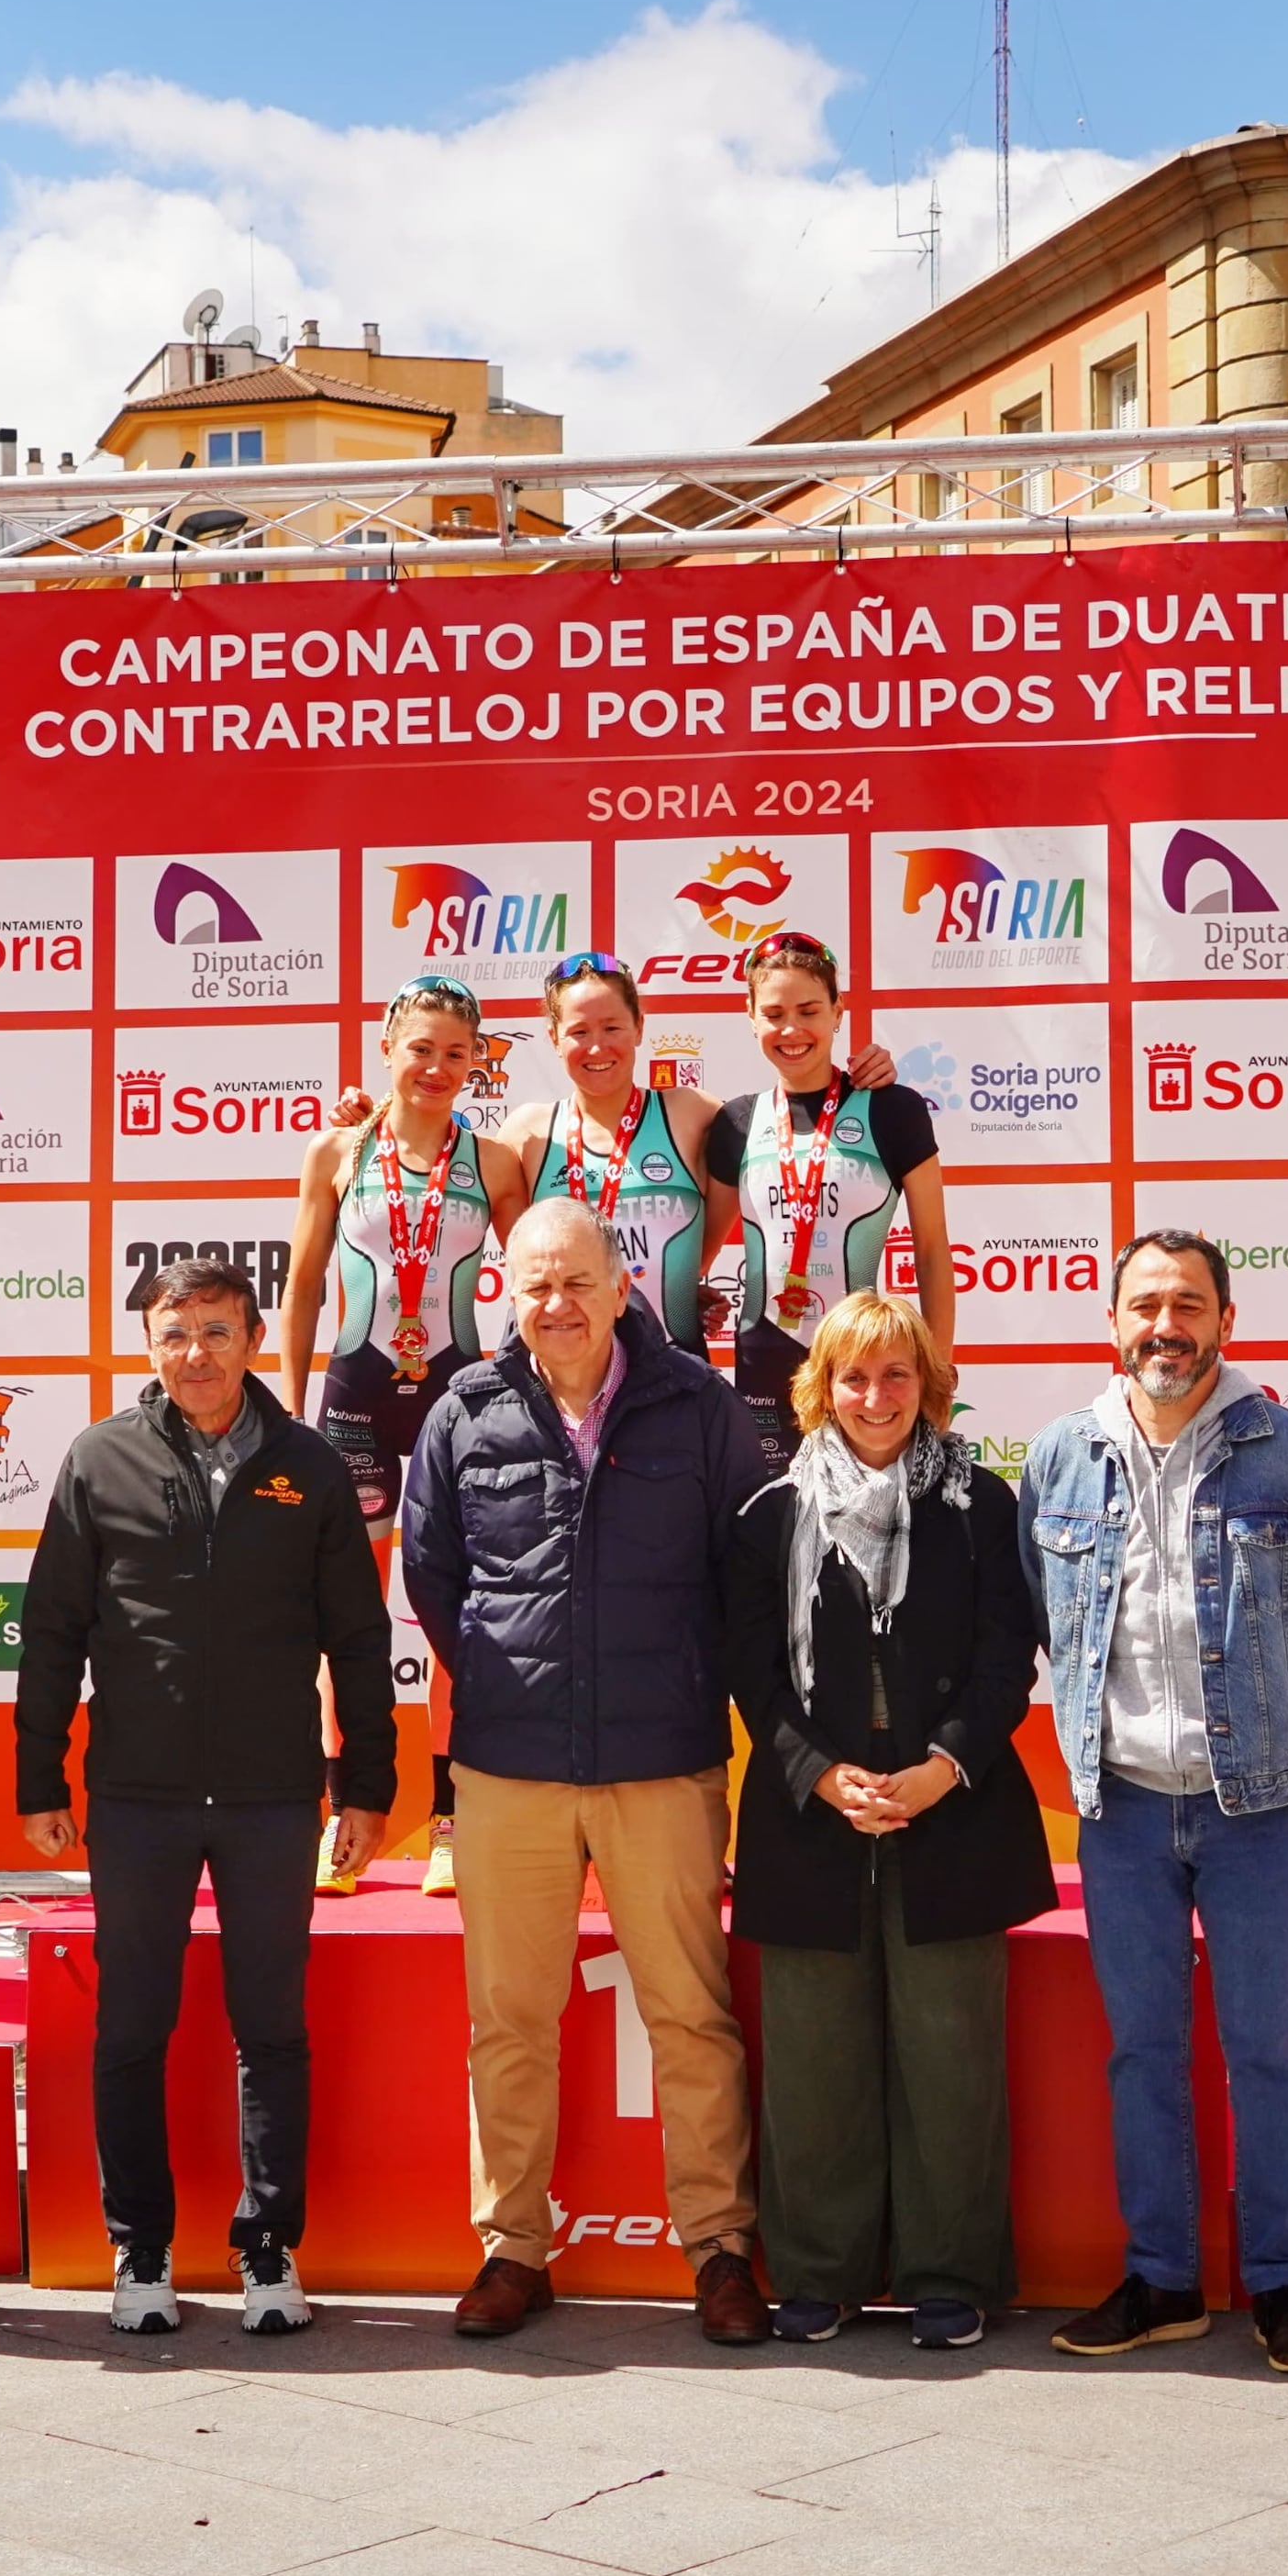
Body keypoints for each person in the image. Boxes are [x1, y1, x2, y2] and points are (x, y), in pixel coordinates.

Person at [400, 1197, 773, 2350]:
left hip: (661, 1760)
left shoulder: (699, 1408)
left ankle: (716, 2247)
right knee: (508, 2019)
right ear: (500, 1293)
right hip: (509, 1766)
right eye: (532, 1285)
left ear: (623, 1288)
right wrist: (518, 1677)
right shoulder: (460, 1412)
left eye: (575, 1283)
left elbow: (741, 1570)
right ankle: (512, 2247)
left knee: (689, 2016)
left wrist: (670, 1681)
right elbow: (432, 1575)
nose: (553, 1306)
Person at [14, 1256, 395, 2341]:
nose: (195, 1354)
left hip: (275, 1796)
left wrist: (365, 1783)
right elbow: (51, 1632)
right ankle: (139, 2243)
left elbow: (357, 1644)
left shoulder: (308, 1467)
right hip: (138, 1796)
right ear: (148, 1343)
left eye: (216, 1332)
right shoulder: (99, 1460)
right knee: (132, 2024)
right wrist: (37, 1774)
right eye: (174, 1334)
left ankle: (268, 2247)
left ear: (253, 1336)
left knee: (270, 2027)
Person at [1023, 1231, 1288, 2376]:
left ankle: (1279, 2284)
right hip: (1119, 1803)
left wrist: (1266, 1709)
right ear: (1111, 1321)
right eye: (1143, 1304)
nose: (1163, 1325)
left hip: (1257, 1807)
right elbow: (1048, 1615)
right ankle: (1163, 2278)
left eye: (1187, 1304)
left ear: (1225, 1320)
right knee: (1142, 2050)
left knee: (1266, 2050)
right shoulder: (1059, 1458)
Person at [725, 1288, 1053, 2350]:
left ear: (929, 1384)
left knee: (951, 2058)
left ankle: (948, 2272)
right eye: (855, 1376)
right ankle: (819, 2272)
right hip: (810, 1821)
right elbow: (752, 1676)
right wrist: (816, 1774)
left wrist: (944, 1765)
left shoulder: (981, 1506)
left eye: (897, 1374)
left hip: (949, 1815)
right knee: (814, 2062)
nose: (876, 1397)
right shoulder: (770, 1511)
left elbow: (1009, 1658)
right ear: (822, 1386)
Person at [283, 974, 533, 1894]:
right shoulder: (339, 1149)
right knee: (344, 1622)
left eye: (455, 1053)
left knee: (450, 1622)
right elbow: (304, 1286)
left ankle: (450, 1824)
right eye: (419, 1048)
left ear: (476, 1063)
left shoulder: (496, 1162)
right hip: (350, 1404)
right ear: (386, 1048)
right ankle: (348, 1822)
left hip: (452, 1412)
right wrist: (287, 1413)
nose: (435, 1067)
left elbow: (534, 1277)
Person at [477, 953, 903, 1347]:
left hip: (672, 1380)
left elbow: (794, 1120)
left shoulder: (693, 1112)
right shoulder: (526, 1134)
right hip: (563, 1373)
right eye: (578, 1032)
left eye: (612, 1027)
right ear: (553, 1038)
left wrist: (863, 1081)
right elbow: (526, 1269)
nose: (597, 1046)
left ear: (640, 1027)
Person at [698, 932, 949, 1475]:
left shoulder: (892, 1109)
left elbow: (931, 1249)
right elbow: (696, 1254)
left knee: (873, 1521)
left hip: (866, 1362)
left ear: (839, 1012)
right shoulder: (736, 1121)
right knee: (777, 1530)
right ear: (751, 1018)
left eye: (810, 1010)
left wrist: (938, 1369)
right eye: (774, 1013)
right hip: (764, 1359)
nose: (792, 1030)